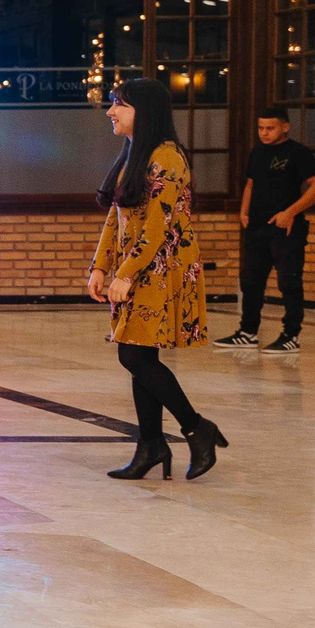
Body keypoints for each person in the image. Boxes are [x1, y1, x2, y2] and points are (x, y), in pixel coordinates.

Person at [89, 78, 226, 481]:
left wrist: (126, 274)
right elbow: (119, 215)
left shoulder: (167, 157)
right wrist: (100, 267)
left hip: (162, 267)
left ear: (144, 112)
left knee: (133, 355)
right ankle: (151, 446)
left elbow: (157, 224)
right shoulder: (136, 151)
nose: (111, 112)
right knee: (139, 353)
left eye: (120, 105)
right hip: (139, 265)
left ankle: (196, 428)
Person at [217, 105, 315, 355]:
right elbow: (251, 184)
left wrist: (290, 212)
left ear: (285, 127)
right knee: (251, 281)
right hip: (256, 227)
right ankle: (248, 332)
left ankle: (290, 335)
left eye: (270, 128)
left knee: (289, 281)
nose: (264, 133)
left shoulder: (298, 153)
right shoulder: (257, 152)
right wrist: (244, 211)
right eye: (260, 128)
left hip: (286, 228)